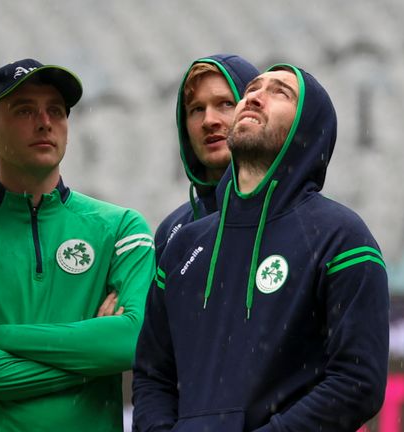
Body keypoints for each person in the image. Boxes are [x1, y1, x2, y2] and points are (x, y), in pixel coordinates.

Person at [132, 65, 389, 431]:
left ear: (307, 127)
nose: (253, 96)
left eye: (280, 92)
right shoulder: (184, 244)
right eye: (252, 88)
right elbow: (152, 375)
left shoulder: (341, 236)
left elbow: (357, 381)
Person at [0, 59, 156, 431]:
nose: (44, 122)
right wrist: (89, 361)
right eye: (24, 110)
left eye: (56, 111)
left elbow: (132, 340)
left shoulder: (121, 228)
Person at [154, 55, 258, 261]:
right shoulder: (171, 232)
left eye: (226, 104)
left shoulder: (306, 219)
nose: (209, 121)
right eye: (197, 109)